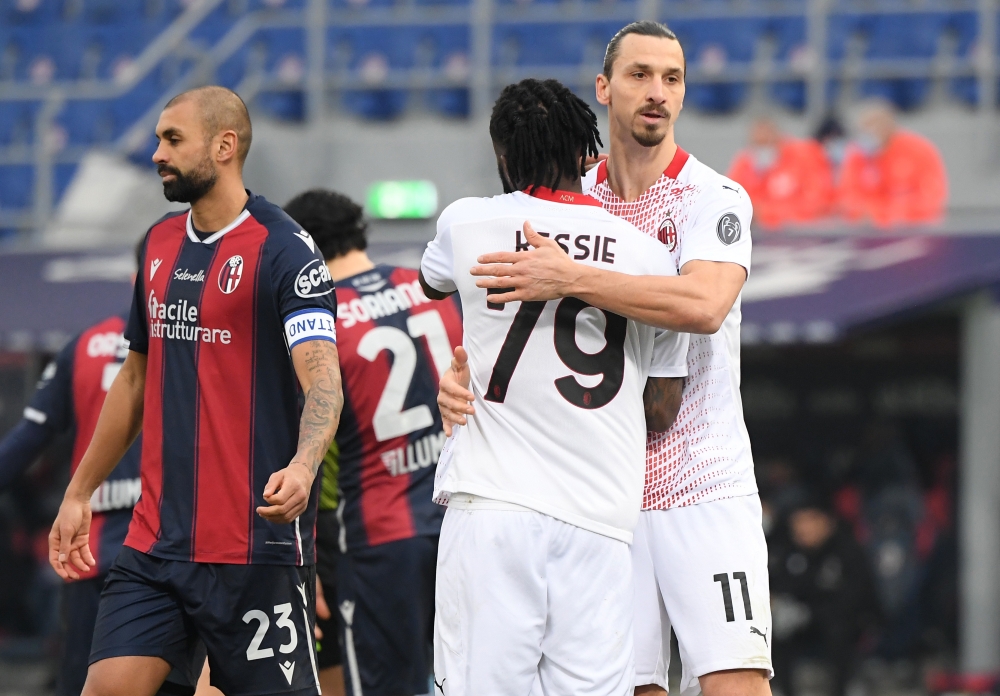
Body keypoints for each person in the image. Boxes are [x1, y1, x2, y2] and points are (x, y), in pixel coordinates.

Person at [440, 21, 774, 696]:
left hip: (701, 479)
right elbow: (501, 315)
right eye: (640, 75)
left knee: (734, 683)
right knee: (635, 689)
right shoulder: (574, 200)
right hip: (599, 492)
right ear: (604, 88)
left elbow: (705, 304)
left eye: (672, 79)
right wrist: (460, 379)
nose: (657, 93)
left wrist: (572, 278)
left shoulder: (714, 198)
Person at [47, 85, 343, 696]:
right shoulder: (157, 244)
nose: (158, 152)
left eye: (172, 139)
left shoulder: (285, 249)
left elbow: (324, 382)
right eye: (158, 138)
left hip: (253, 548)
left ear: (224, 146)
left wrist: (303, 464)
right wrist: (79, 492)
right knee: (105, 688)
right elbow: (134, 379)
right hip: (157, 543)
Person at [419, 77, 689, 696]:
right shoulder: (651, 259)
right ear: (586, 156)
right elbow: (662, 407)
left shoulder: (468, 222)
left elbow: (432, 283)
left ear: (502, 157)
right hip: (600, 519)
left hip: (493, 507)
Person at [283, 189, 463, 696]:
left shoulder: (318, 323)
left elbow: (300, 446)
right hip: (463, 522)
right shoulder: (429, 288)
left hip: (380, 540)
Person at [0, 242, 199, 696]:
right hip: (182, 550)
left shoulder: (87, 344)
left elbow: (26, 441)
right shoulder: (212, 343)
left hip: (94, 553)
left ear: (136, 284)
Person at [769, 494, 880, 696]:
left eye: (808, 520)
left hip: (843, 623)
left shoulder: (847, 550)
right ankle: (780, 690)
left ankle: (844, 689)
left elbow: (857, 598)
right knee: (777, 629)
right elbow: (779, 590)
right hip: (801, 623)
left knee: (838, 631)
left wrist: (811, 613)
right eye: (798, 521)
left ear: (825, 521)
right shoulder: (790, 552)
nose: (802, 528)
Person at [838, 98, 947, 228]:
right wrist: (873, 215)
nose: (867, 133)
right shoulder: (857, 153)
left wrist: (892, 215)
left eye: (872, 126)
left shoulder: (919, 150)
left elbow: (931, 196)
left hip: (916, 229)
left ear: (888, 126)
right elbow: (849, 195)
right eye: (863, 129)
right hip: (871, 231)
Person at [727, 116, 833, 229]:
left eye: (766, 141)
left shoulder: (805, 155)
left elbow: (819, 202)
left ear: (776, 135)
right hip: (761, 236)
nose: (762, 149)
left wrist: (766, 213)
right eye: (757, 144)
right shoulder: (746, 162)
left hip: (805, 233)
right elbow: (731, 200)